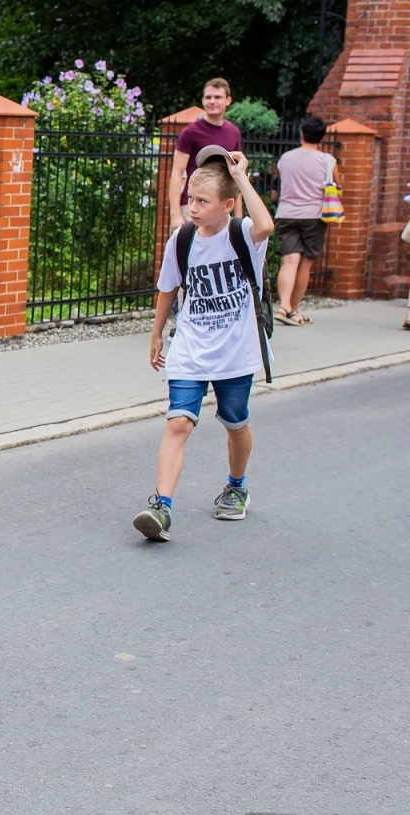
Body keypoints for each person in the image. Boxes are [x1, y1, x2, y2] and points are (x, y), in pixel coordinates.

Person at [134, 147, 275, 542]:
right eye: (190, 199)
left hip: (235, 351)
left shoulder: (243, 235)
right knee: (178, 422)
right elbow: (168, 287)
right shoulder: (183, 239)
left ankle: (236, 485)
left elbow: (266, 225)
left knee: (236, 423)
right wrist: (157, 332)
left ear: (228, 204)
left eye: (202, 201)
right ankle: (161, 508)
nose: (192, 208)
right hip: (191, 347)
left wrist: (242, 175)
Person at [272, 116, 336, 325]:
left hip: (286, 213)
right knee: (305, 264)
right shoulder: (327, 160)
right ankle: (294, 309)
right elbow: (337, 185)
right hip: (314, 216)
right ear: (322, 137)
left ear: (301, 134)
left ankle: (283, 306)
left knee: (289, 261)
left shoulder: (286, 158)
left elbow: (280, 180)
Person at [169, 78, 241, 227]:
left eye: (218, 97)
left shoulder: (234, 132)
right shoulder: (190, 132)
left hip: (221, 207)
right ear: (202, 100)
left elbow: (236, 174)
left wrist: (239, 215)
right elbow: (177, 172)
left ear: (228, 100)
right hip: (193, 205)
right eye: (208, 97)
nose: (212, 101)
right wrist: (175, 214)